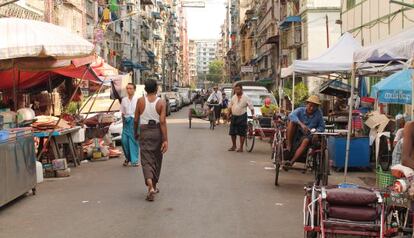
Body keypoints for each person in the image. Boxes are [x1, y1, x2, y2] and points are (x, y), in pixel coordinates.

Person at [134, 79, 168, 202]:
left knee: (146, 160)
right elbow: (163, 121)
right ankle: (153, 186)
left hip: (144, 132)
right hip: (157, 132)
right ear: (156, 89)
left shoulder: (140, 101)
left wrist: (135, 133)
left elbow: (136, 120)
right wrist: (165, 140)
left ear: (145, 89)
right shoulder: (161, 102)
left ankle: (150, 185)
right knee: (156, 158)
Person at [286, 95, 325, 167]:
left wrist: (316, 131)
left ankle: (292, 162)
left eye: (314, 106)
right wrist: (301, 124)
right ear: (306, 104)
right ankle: (289, 146)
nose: (312, 108)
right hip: (296, 133)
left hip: (308, 135)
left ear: (317, 107)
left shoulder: (318, 114)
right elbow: (291, 115)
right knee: (292, 122)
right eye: (310, 105)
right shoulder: (300, 110)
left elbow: (322, 126)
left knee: (306, 141)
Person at [228, 84, 255, 152]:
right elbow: (230, 107)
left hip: (242, 116)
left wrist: (253, 115)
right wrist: (228, 115)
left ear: (241, 89)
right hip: (234, 116)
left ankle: (241, 147)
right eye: (235, 89)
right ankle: (234, 146)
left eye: (238, 89)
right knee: (232, 132)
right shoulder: (233, 97)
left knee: (242, 132)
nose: (237, 91)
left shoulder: (246, 97)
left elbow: (251, 107)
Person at [121, 83, 139, 167]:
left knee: (133, 141)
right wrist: (123, 123)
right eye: (127, 88)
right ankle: (128, 158)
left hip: (135, 121)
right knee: (124, 141)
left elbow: (140, 112)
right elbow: (122, 113)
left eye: (131, 88)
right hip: (126, 122)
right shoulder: (124, 100)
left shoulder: (138, 99)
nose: (129, 90)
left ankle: (134, 160)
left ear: (134, 90)